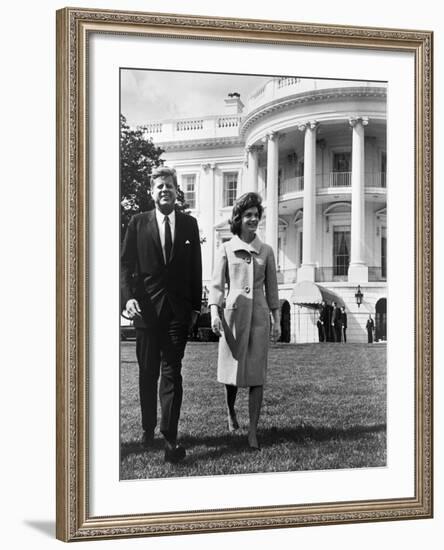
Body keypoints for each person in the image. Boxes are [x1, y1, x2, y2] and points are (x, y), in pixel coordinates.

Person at [121, 166, 202, 463]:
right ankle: (147, 429)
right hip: (145, 312)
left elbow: (196, 268)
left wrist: (195, 307)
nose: (164, 190)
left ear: (176, 190)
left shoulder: (189, 225)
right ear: (151, 192)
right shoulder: (137, 223)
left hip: (177, 313)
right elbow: (125, 265)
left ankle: (170, 437)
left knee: (172, 373)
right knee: (147, 373)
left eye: (169, 186)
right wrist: (126, 299)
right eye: (159, 187)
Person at [209, 192, 280, 450]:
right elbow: (216, 285)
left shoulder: (267, 251)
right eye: (248, 215)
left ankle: (252, 431)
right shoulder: (226, 248)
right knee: (231, 375)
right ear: (238, 218)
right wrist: (214, 313)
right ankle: (230, 411)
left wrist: (277, 319)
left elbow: (273, 290)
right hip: (233, 318)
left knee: (257, 375)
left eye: (256, 215)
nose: (253, 219)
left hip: (260, 318)